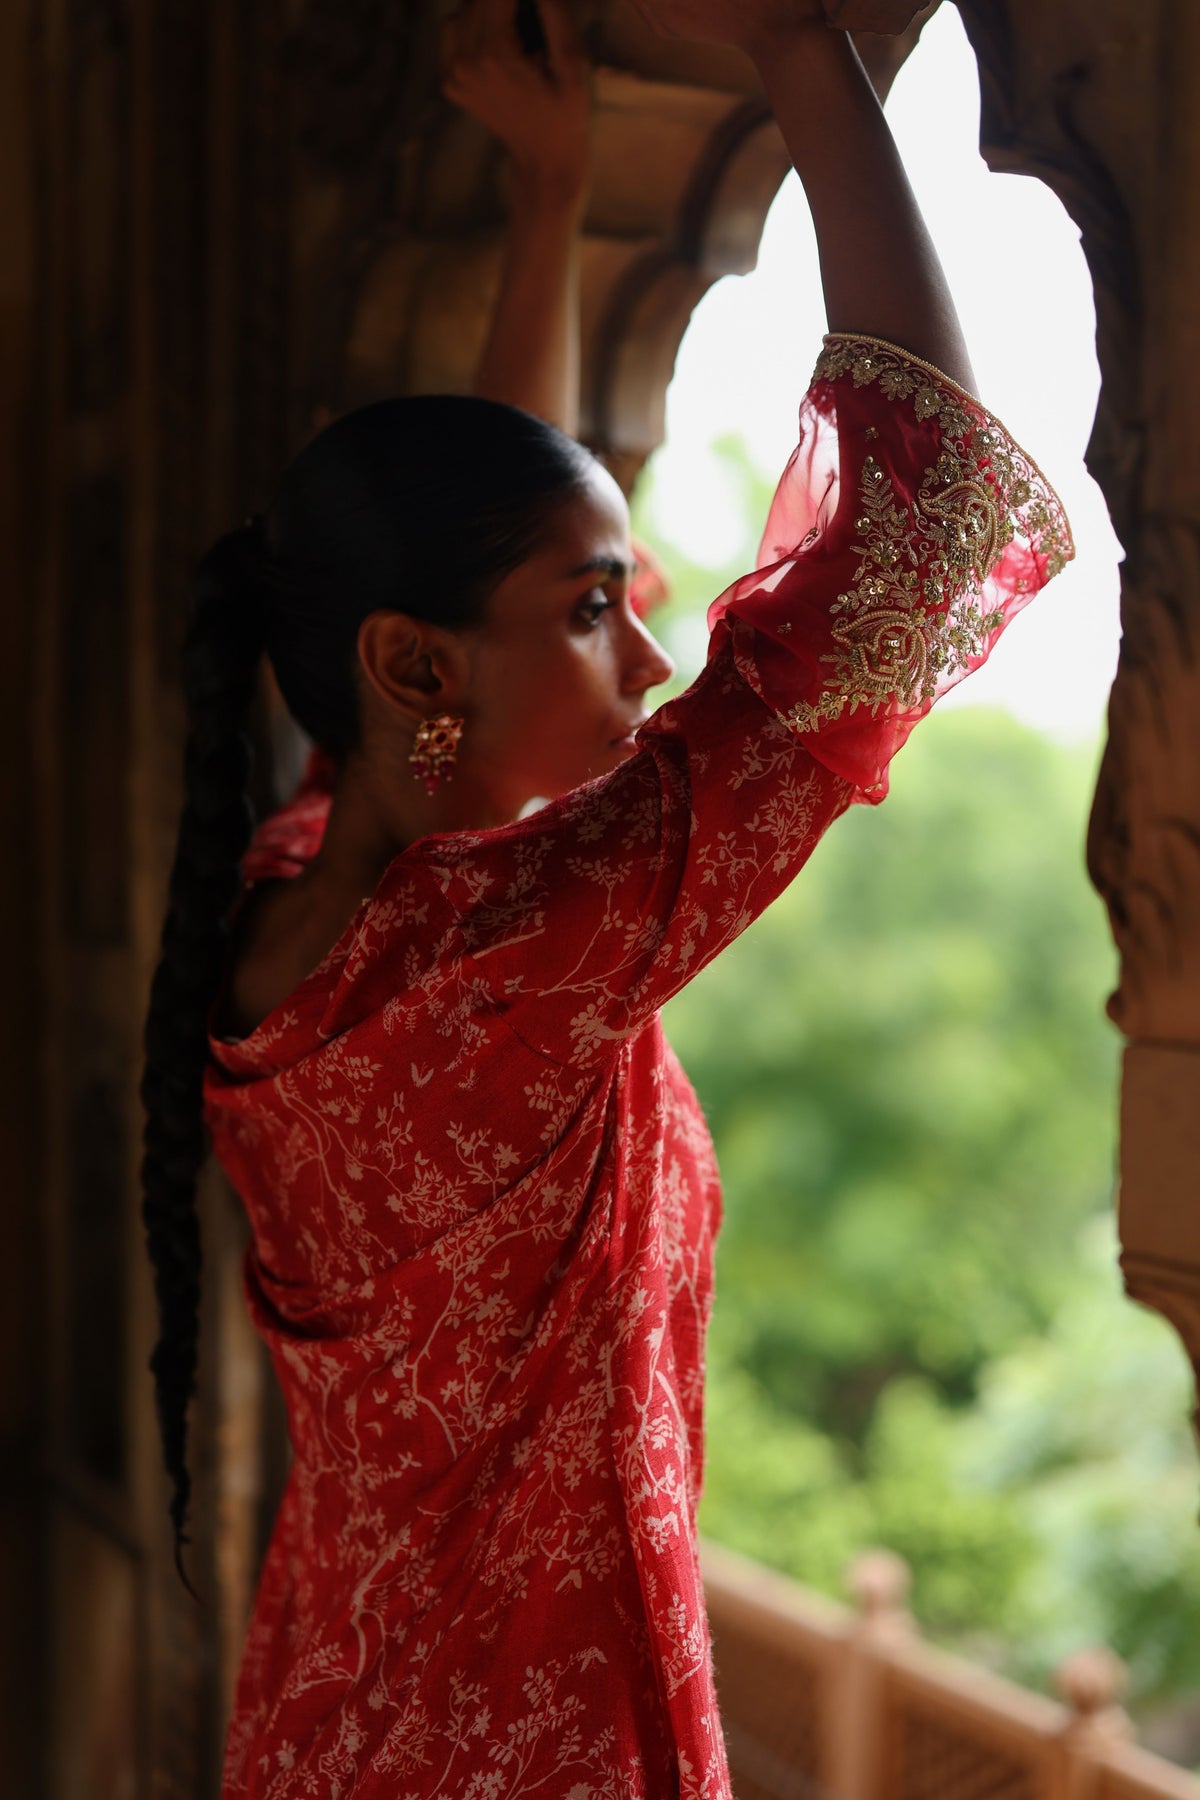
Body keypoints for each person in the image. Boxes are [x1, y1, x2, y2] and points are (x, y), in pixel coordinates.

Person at [138, 0, 1074, 1792]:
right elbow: (923, 533)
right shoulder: (523, 950)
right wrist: (803, 54)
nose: (650, 652)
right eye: (594, 607)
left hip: (330, 1725)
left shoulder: (278, 913)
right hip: (545, 1748)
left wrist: (552, 195)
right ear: (413, 670)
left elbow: (460, 605)